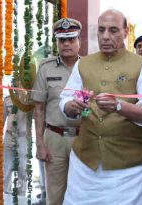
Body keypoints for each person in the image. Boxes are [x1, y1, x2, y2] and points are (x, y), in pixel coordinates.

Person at [59, 9, 142, 205]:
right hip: (85, 166)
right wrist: (72, 106)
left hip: (128, 169)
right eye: (101, 30)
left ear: (125, 32)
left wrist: (119, 106)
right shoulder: (83, 64)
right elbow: (65, 99)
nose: (106, 36)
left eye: (113, 30)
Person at [32, 18, 82, 205]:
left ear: (79, 41)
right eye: (62, 40)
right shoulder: (46, 68)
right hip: (54, 137)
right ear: (57, 42)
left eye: (71, 39)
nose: (66, 44)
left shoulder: (88, 68)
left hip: (82, 138)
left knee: (82, 191)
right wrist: (39, 145)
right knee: (55, 194)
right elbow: (39, 109)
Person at [3, 95, 29, 204]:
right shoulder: (7, 99)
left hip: (23, 137)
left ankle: (21, 195)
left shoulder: (29, 99)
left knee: (23, 168)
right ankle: (5, 195)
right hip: (9, 136)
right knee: (7, 167)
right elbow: (2, 117)